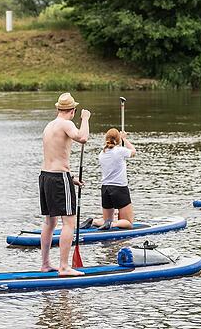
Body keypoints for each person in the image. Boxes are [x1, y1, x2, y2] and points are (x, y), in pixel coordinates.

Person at [39, 92, 90, 276]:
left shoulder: (49, 125)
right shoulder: (67, 123)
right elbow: (83, 137)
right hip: (59, 178)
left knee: (49, 222)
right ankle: (64, 266)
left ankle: (45, 264)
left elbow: (55, 156)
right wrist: (85, 119)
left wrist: (71, 178)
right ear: (73, 110)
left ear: (58, 108)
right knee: (69, 222)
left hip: (45, 177)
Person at [82, 128, 136, 230]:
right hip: (120, 188)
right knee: (128, 223)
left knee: (106, 219)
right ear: (118, 139)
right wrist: (125, 139)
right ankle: (112, 224)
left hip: (105, 189)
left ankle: (93, 221)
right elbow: (134, 152)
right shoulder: (120, 151)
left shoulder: (102, 153)